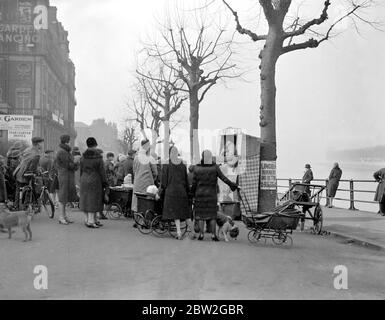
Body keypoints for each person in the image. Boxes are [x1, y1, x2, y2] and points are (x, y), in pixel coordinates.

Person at [191, 150, 239, 241]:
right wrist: (233, 185)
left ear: (202, 157)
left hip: (200, 195)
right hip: (211, 195)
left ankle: (201, 235)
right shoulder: (215, 167)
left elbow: (194, 183)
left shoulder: (197, 168)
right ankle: (213, 235)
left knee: (201, 216)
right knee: (212, 216)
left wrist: (191, 194)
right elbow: (223, 178)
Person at [159, 146, 195, 240]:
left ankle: (179, 233)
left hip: (171, 192)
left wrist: (160, 192)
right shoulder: (183, 165)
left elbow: (164, 182)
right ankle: (193, 232)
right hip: (182, 192)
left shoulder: (166, 165)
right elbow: (186, 181)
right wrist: (188, 193)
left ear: (170, 153)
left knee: (176, 215)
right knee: (185, 214)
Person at [79, 137, 108, 228]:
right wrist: (105, 182)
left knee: (85, 199)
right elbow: (102, 172)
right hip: (95, 179)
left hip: (84, 178)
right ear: (95, 145)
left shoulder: (83, 157)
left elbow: (81, 169)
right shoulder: (98, 157)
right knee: (94, 199)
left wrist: (81, 179)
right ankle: (91, 221)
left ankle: (87, 219)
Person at [13, 137, 44, 209]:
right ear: (38, 144)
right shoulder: (36, 154)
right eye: (41, 143)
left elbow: (22, 159)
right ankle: (25, 207)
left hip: (18, 172)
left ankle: (16, 206)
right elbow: (32, 168)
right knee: (28, 191)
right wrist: (37, 171)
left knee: (18, 191)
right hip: (25, 174)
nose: (42, 145)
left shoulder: (27, 149)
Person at [55, 135, 78, 225]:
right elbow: (67, 165)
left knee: (65, 197)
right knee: (63, 196)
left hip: (66, 175)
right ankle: (61, 217)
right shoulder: (63, 152)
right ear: (67, 141)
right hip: (64, 175)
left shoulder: (64, 151)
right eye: (69, 141)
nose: (70, 142)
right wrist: (75, 162)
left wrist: (75, 163)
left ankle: (64, 216)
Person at [131, 139, 158, 213]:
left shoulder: (136, 158)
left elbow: (134, 170)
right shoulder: (150, 158)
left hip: (137, 182)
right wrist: (153, 178)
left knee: (137, 201)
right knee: (146, 202)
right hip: (147, 183)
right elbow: (155, 172)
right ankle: (145, 218)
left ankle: (137, 218)